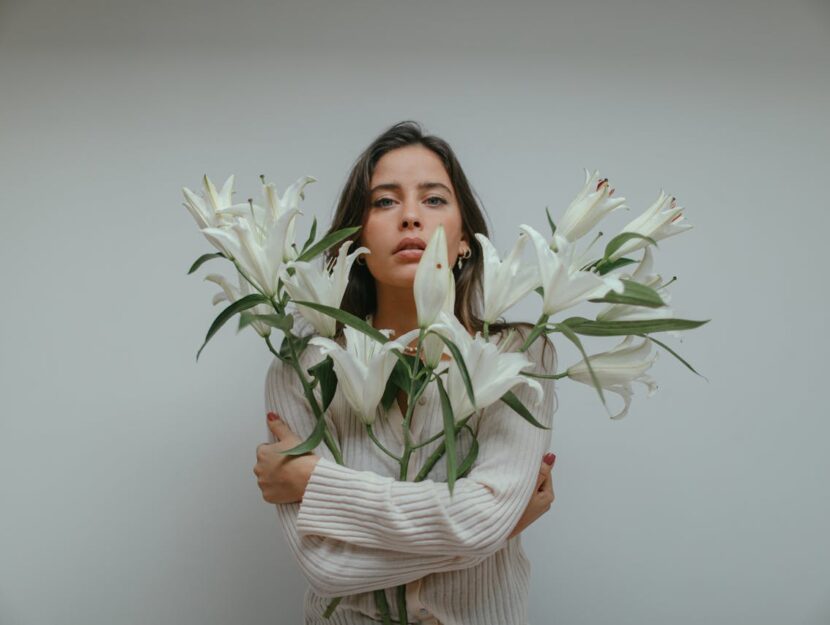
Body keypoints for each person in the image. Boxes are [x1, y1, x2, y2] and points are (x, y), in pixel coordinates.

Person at [253, 121, 558, 624]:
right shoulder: (302, 366)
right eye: (385, 202)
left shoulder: (519, 353)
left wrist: (316, 482)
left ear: (465, 239)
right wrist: (496, 527)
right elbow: (325, 567)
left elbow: (485, 520)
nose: (411, 217)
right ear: (355, 237)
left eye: (434, 200)